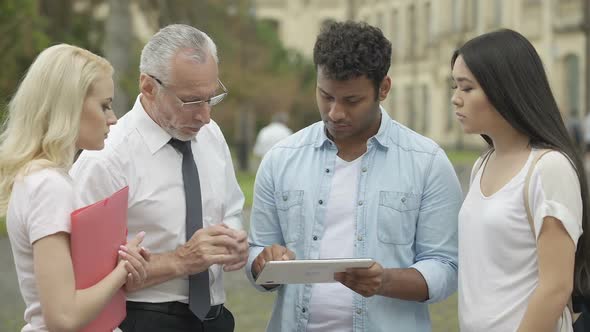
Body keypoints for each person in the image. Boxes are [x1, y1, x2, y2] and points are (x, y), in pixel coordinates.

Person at [246, 21, 463, 331]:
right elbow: (257, 252)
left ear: (383, 89)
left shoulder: (427, 162)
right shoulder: (281, 159)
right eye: (326, 96)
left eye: (351, 101)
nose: (335, 112)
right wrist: (263, 262)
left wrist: (385, 281)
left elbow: (446, 266)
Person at [70, 24, 248, 332]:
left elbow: (230, 208)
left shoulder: (211, 136)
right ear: (149, 86)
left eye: (211, 98)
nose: (205, 116)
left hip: (216, 318)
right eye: (191, 101)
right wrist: (181, 261)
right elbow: (81, 276)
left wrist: (234, 238)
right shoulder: (106, 158)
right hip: (140, 319)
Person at [0, 44, 149, 332]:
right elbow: (63, 317)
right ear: (68, 106)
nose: (113, 118)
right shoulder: (48, 185)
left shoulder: (42, 177)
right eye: (104, 105)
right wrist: (120, 272)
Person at [452, 29, 590, 332]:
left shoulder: (548, 168)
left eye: (467, 88)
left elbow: (556, 288)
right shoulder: (482, 165)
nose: (455, 99)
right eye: (455, 86)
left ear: (504, 89)